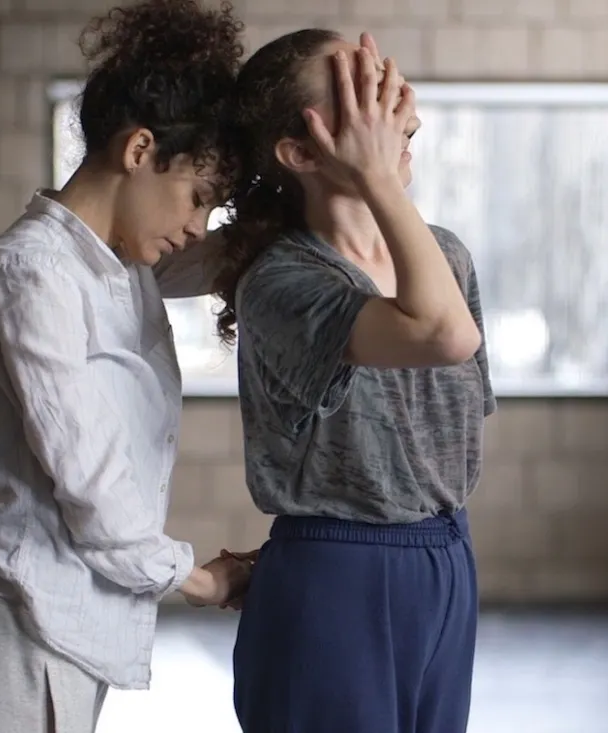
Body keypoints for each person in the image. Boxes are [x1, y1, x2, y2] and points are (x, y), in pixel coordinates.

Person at [0, 2, 251, 732]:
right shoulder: (30, 272)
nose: (196, 225)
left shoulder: (122, 267)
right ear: (140, 149)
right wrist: (197, 575)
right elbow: (90, 480)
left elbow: (238, 257)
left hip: (57, 642)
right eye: (197, 199)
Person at [212, 30, 497, 733]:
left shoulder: (447, 257)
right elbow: (444, 335)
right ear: (300, 153)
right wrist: (377, 177)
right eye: (359, 97)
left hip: (447, 558)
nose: (395, 110)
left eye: (385, 83)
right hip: (337, 572)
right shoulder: (282, 280)